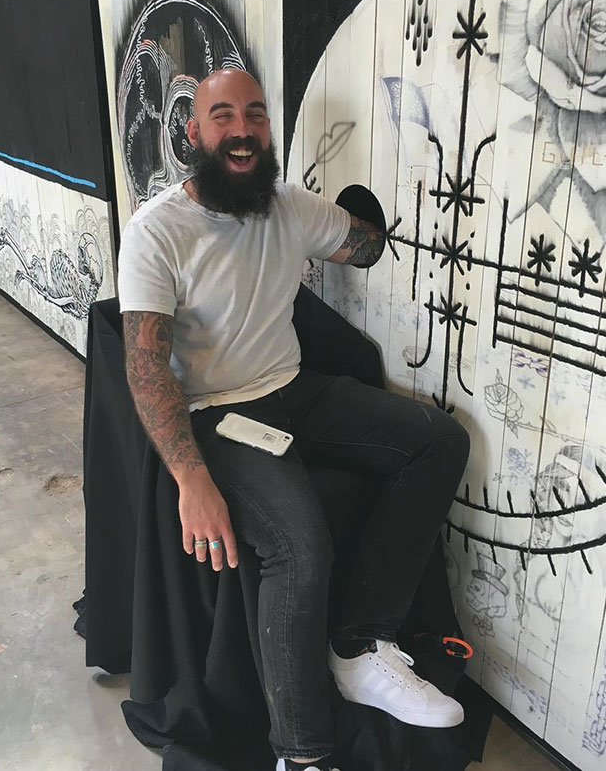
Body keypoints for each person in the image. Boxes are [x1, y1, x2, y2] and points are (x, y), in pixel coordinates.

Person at [118, 68, 470, 771]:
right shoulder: (158, 232)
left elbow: (359, 245)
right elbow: (146, 366)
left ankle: (359, 645)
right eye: (223, 116)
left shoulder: (287, 205)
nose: (242, 130)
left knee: (438, 440)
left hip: (292, 390)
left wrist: (371, 217)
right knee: (300, 544)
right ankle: (302, 756)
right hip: (216, 415)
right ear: (194, 131)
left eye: (254, 115)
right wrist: (190, 478)